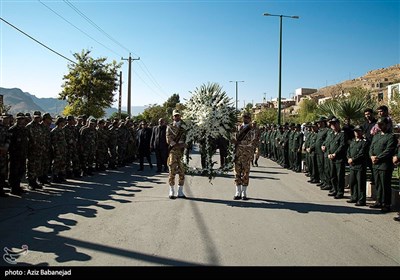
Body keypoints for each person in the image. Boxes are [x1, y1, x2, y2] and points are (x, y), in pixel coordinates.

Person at [369, 117, 397, 212]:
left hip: (385, 165)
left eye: (382, 124)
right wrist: (372, 156)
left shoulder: (391, 136)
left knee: (385, 185)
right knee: (378, 184)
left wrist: (378, 157)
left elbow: (389, 150)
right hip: (375, 164)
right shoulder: (376, 136)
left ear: (387, 125)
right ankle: (378, 201)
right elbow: (371, 147)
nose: (380, 126)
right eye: (379, 125)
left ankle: (386, 204)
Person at [232, 112, 257, 200]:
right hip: (238, 154)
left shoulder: (252, 129)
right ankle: (237, 192)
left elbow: (253, 141)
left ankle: (244, 192)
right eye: (244, 117)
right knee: (237, 173)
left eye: (247, 117)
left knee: (245, 173)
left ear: (250, 119)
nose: (245, 119)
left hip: (246, 154)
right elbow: (233, 138)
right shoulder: (237, 128)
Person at [166, 110, 187, 199]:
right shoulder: (170, 127)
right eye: (175, 116)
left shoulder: (185, 126)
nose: (177, 117)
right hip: (173, 151)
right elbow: (168, 139)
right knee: (172, 170)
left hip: (182, 152)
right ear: (173, 117)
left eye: (178, 116)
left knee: (182, 171)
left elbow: (189, 138)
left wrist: (186, 144)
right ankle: (171, 190)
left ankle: (180, 191)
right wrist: (179, 144)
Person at [347, 125, 368, 206]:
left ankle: (361, 200)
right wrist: (349, 158)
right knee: (352, 182)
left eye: (358, 131)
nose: (356, 132)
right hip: (352, 165)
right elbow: (348, 151)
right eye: (355, 131)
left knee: (360, 183)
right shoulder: (352, 141)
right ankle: (354, 197)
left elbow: (362, 153)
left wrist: (353, 159)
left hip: (360, 165)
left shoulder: (364, 142)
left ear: (362, 132)